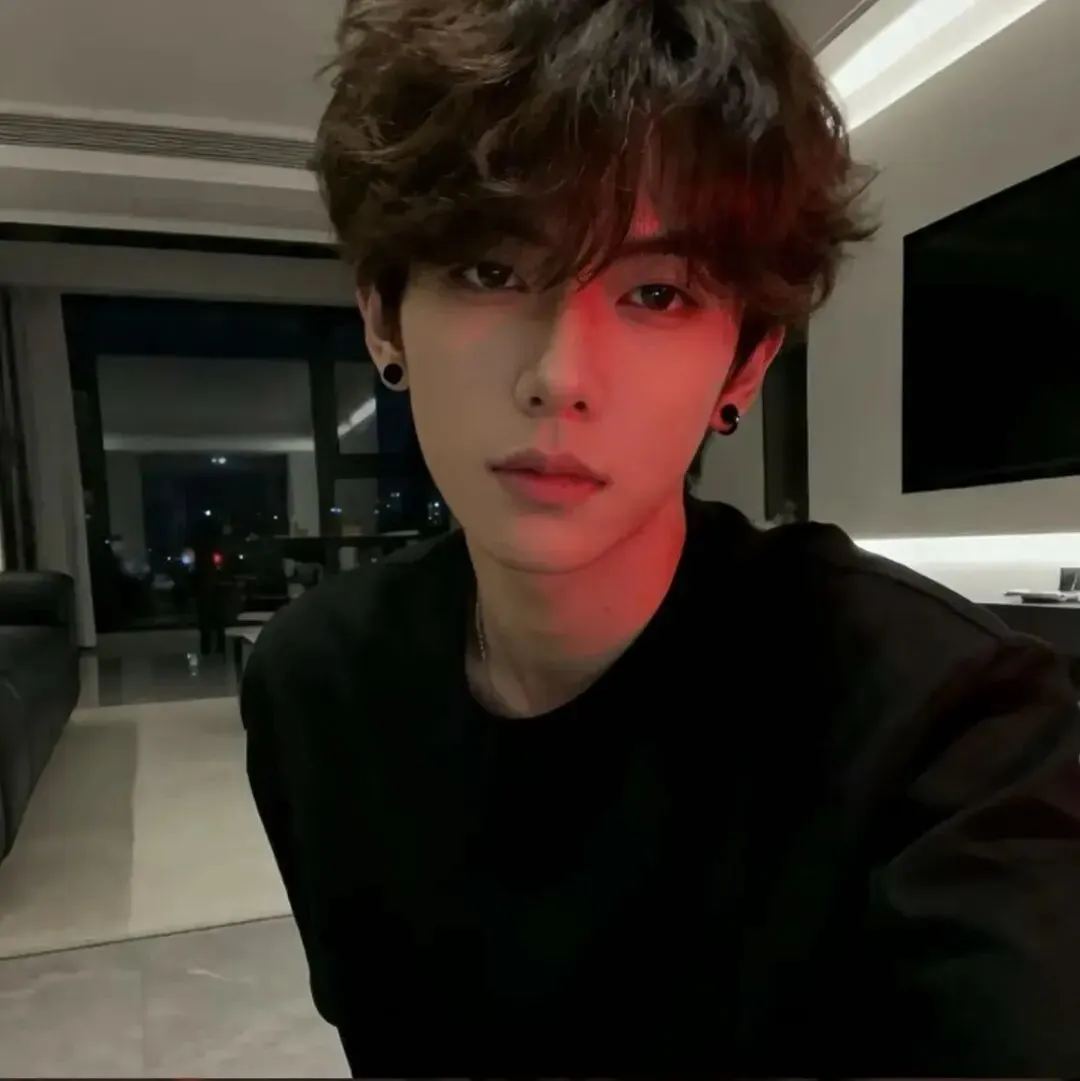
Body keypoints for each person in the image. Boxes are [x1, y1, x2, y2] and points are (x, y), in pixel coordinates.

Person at [242, 1, 1080, 1076]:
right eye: (490, 269)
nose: (558, 375)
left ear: (747, 362)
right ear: (381, 314)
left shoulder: (951, 731)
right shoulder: (314, 686)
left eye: (655, 292)